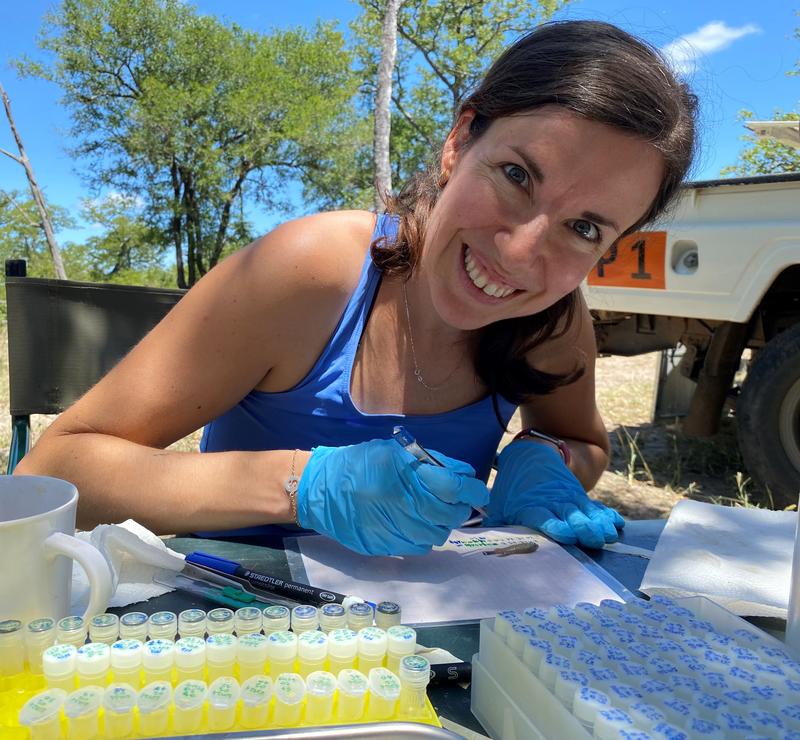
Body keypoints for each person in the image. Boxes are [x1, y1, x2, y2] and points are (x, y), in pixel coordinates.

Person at [17, 20, 697, 556]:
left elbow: (584, 444)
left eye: (583, 227)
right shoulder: (309, 272)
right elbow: (54, 470)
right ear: (460, 141)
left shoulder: (552, 323)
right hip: (240, 632)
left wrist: (545, 464)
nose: (522, 252)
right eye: (517, 175)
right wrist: (301, 486)